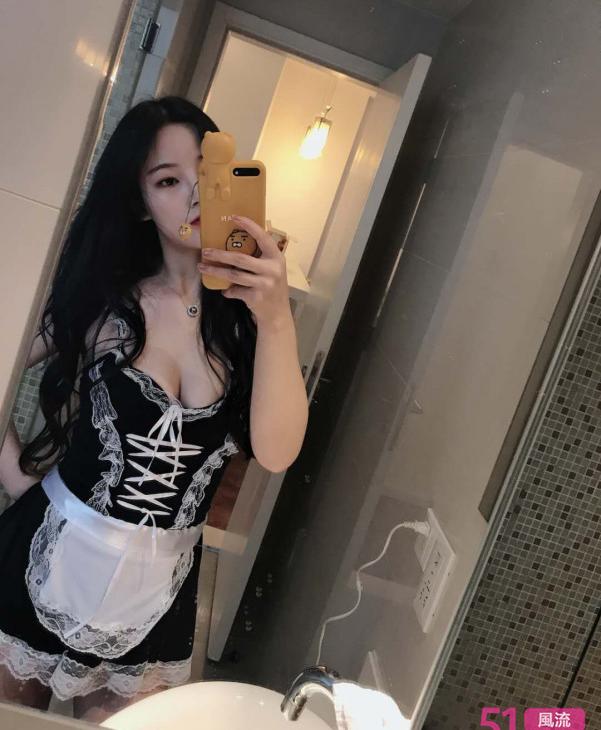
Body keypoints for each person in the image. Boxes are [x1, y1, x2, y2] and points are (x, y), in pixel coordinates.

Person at [0, 96, 308, 722]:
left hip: (160, 598)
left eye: (205, 172)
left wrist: (276, 319)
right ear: (142, 203)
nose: (194, 192)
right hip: (42, 556)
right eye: (168, 180)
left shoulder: (255, 323)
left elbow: (277, 453)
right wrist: (18, 479)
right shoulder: (104, 301)